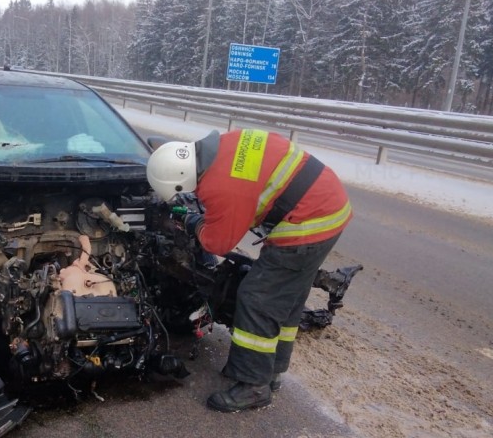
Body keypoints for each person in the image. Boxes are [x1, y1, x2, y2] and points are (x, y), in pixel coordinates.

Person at [146, 128, 352, 412]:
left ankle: (254, 386)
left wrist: (195, 222)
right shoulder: (228, 142)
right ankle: (272, 372)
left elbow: (218, 243)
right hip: (329, 203)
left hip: (310, 222)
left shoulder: (222, 186)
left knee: (257, 298)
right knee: (287, 298)